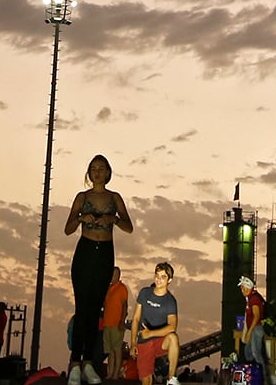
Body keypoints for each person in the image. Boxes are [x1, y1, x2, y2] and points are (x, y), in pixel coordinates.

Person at [64, 157, 134, 382]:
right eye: (93, 169)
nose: (97, 172)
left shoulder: (114, 198)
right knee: (82, 307)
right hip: (84, 251)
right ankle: (75, 362)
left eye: (100, 169)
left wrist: (112, 219)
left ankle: (88, 363)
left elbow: (129, 227)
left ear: (107, 173)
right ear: (89, 173)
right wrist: (81, 217)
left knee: (95, 311)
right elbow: (68, 228)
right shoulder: (82, 197)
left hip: (104, 252)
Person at [135, 262, 181, 385]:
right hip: (144, 341)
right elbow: (135, 319)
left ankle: (171, 379)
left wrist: (151, 333)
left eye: (163, 277)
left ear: (169, 280)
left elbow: (172, 326)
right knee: (147, 380)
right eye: (157, 275)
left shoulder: (170, 301)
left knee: (173, 338)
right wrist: (133, 343)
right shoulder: (144, 293)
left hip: (159, 340)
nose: (158, 279)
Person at [104, 270, 132, 383]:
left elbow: (125, 305)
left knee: (117, 350)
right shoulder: (108, 289)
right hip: (107, 323)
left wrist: (122, 321)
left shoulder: (122, 288)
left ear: (118, 275)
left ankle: (115, 373)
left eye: (113, 274)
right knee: (110, 351)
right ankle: (109, 373)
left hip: (117, 323)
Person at [237, 276, 268, 372]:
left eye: (242, 287)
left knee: (256, 353)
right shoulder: (250, 298)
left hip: (256, 329)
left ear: (247, 288)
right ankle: (251, 372)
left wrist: (249, 332)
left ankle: (262, 377)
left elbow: (256, 316)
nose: (241, 290)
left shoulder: (254, 299)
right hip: (253, 328)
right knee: (248, 351)